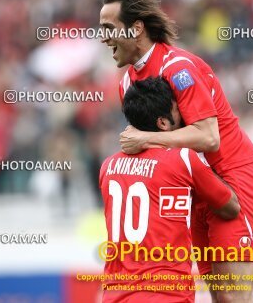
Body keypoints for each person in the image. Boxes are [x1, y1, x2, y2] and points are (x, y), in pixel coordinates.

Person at [100, 0, 253, 302]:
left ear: (136, 29)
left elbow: (208, 136)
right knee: (219, 298)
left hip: (233, 182)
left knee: (233, 298)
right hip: (194, 191)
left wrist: (145, 137)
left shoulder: (176, 68)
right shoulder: (127, 83)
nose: (103, 37)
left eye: (109, 28)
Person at [99, 77, 241, 303]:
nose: (184, 117)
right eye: (178, 111)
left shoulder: (108, 167)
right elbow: (231, 207)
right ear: (163, 123)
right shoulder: (183, 159)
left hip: (115, 296)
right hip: (167, 295)